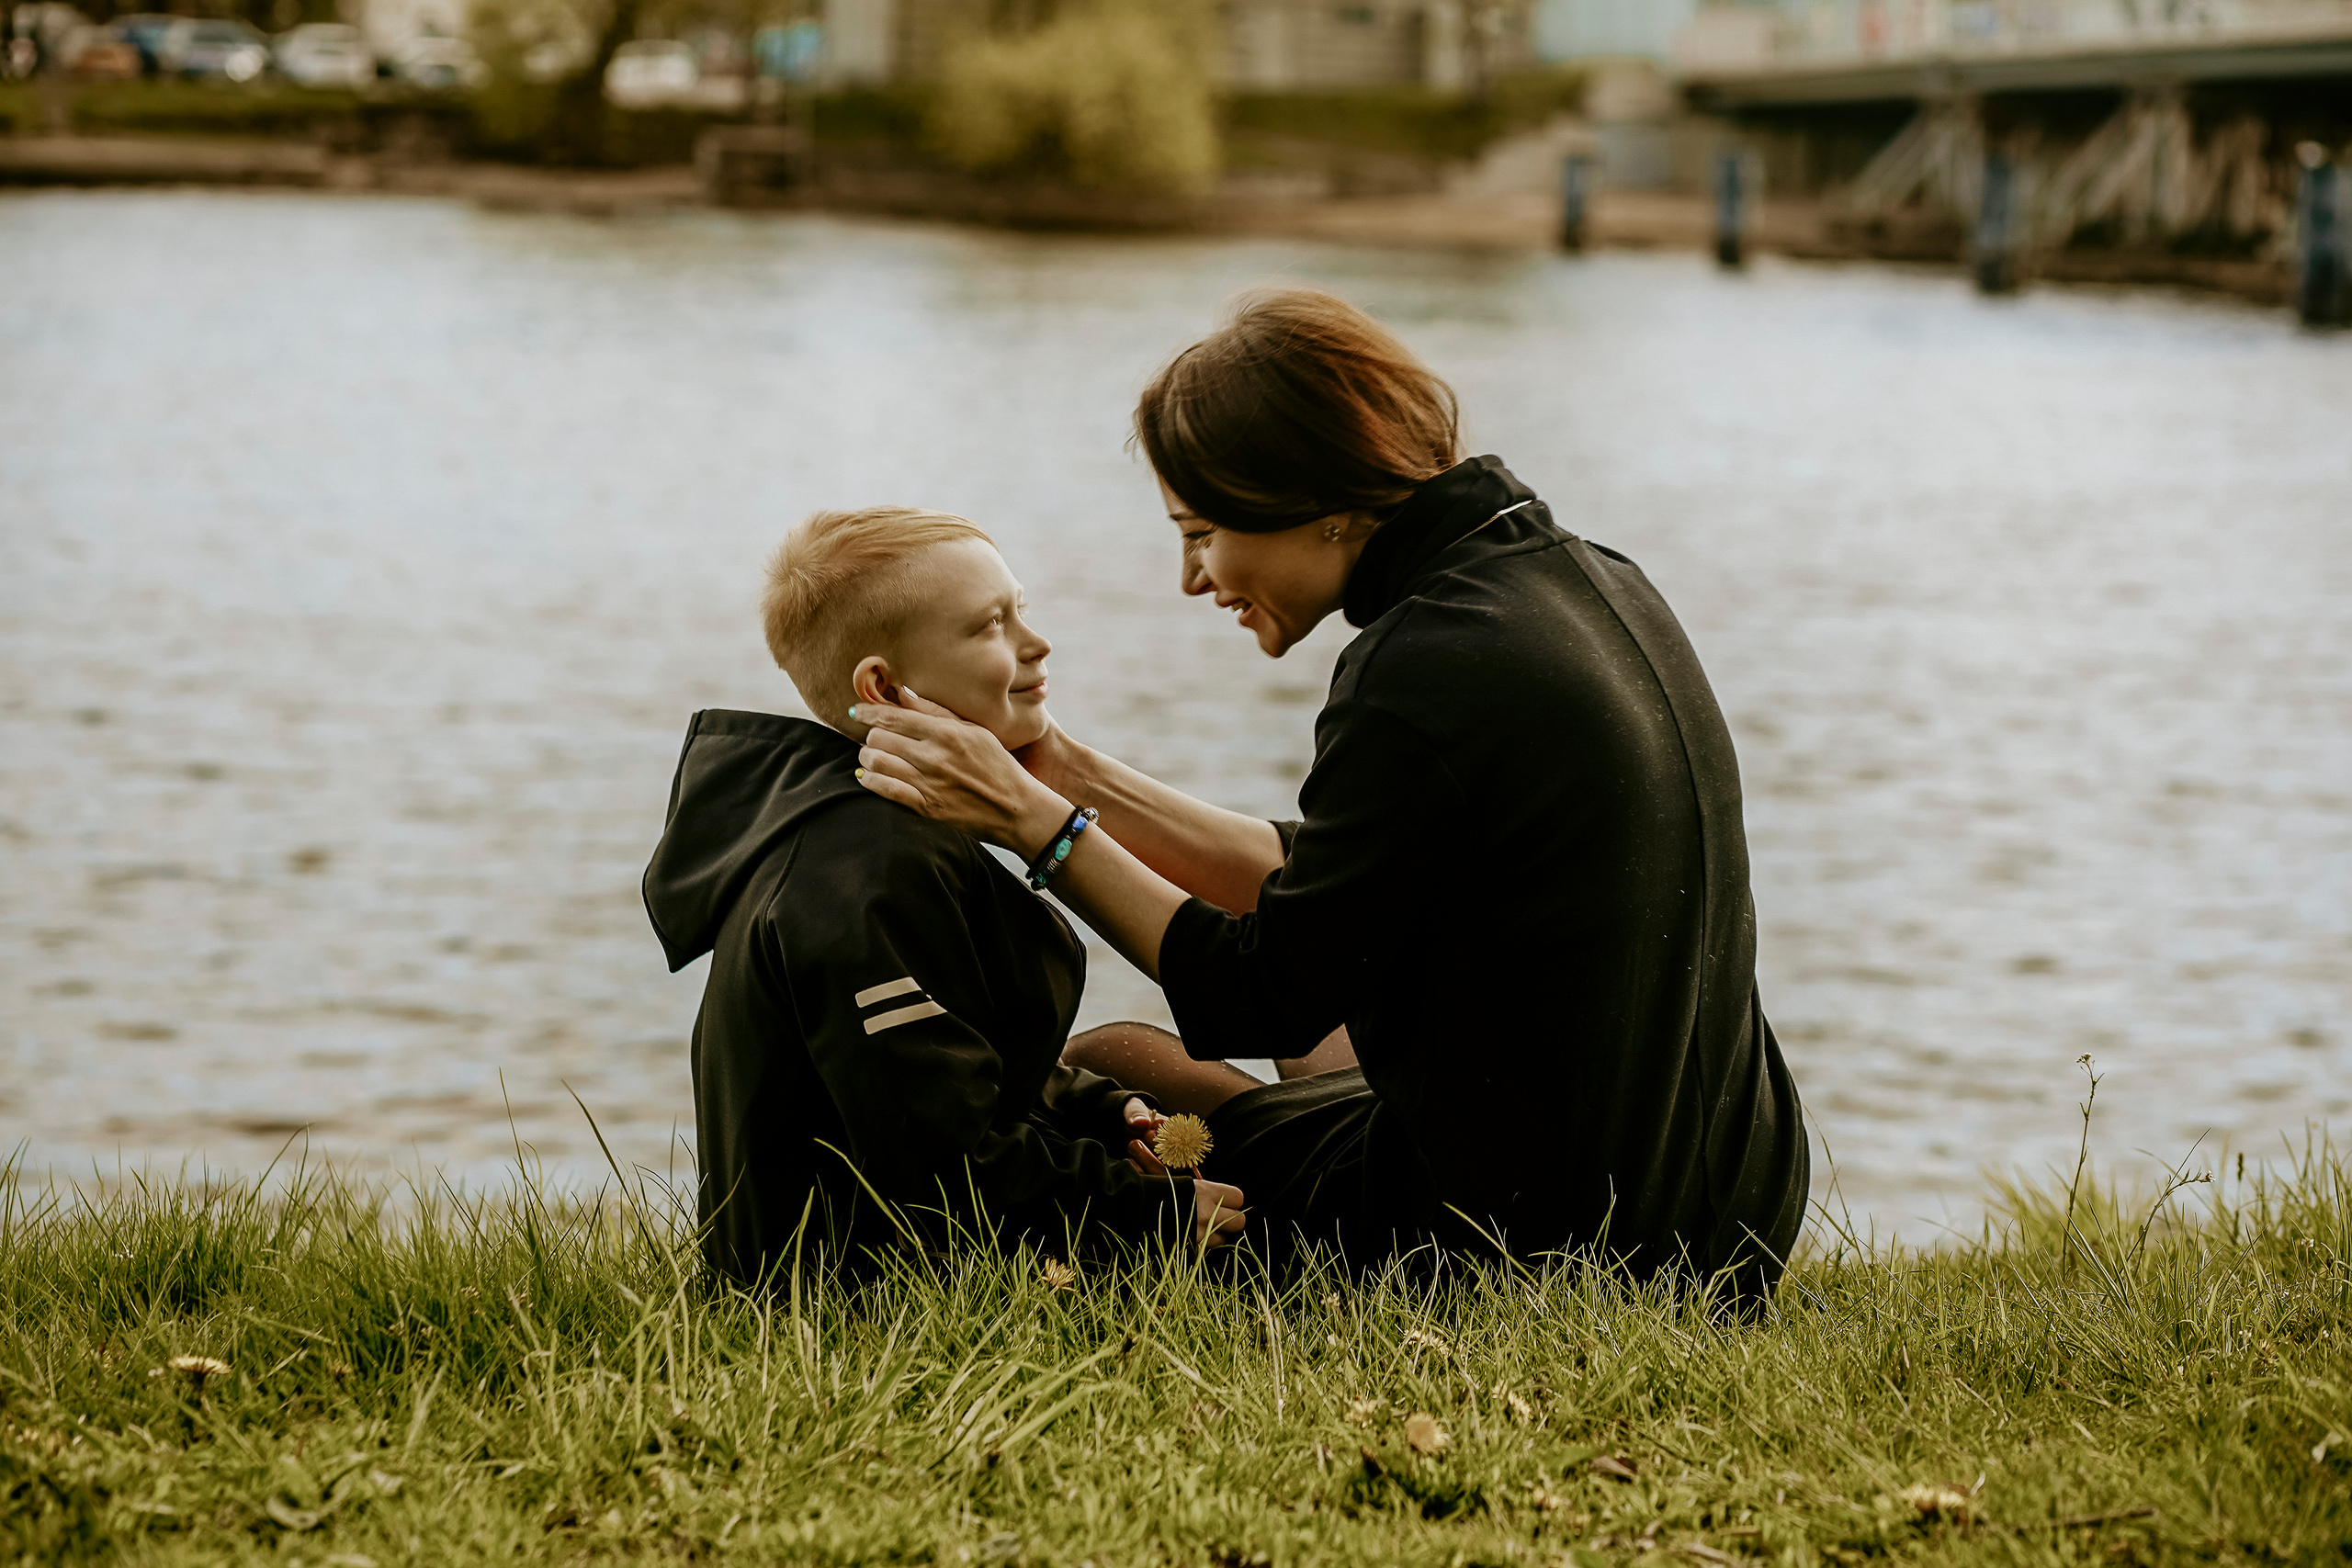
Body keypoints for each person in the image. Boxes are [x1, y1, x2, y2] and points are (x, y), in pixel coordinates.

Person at [850, 289, 1811, 1300]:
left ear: (1320, 505)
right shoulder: (1586, 582)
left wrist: (1030, 823)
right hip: (1730, 1208)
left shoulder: (1422, 664)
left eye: (1201, 530)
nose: (1193, 577)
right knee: (1333, 1032)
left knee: (1116, 1056)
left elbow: (1257, 995)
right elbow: (1342, 882)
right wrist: (1066, 771)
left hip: (1542, 1246)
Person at [641, 505, 1248, 1286]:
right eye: (991, 625)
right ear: (884, 686)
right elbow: (937, 1159)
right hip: (848, 1299)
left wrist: (1103, 1110)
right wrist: (1149, 1218)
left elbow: (943, 1061)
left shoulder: (878, 819)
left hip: (906, 1246)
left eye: (1021, 610)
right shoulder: (864, 870)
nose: (1037, 643)